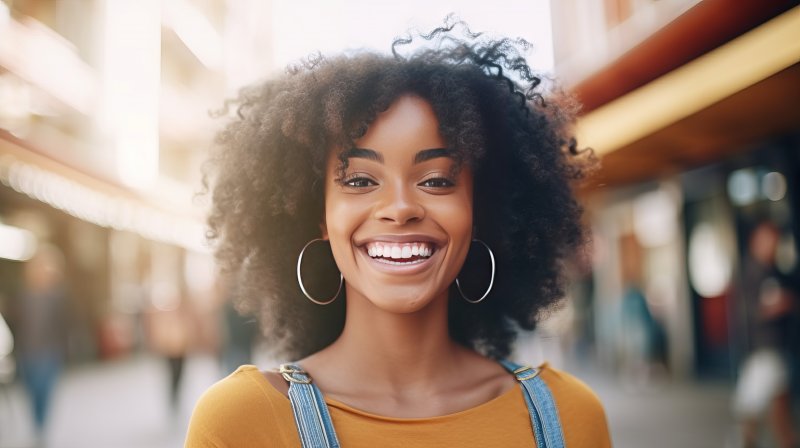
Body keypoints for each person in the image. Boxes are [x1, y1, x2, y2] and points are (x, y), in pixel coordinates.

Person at [186, 21, 610, 447]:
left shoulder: (570, 415)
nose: (400, 208)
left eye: (438, 180)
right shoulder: (242, 422)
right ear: (318, 217)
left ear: (480, 211)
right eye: (359, 181)